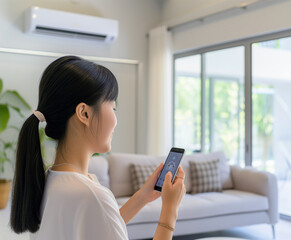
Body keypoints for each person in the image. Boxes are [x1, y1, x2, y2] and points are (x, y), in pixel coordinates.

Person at [10, 56, 186, 240]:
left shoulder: (48, 181)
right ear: (84, 113)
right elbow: (98, 210)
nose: (116, 120)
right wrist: (170, 211)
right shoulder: (92, 195)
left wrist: (142, 197)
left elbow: (100, 228)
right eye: (113, 107)